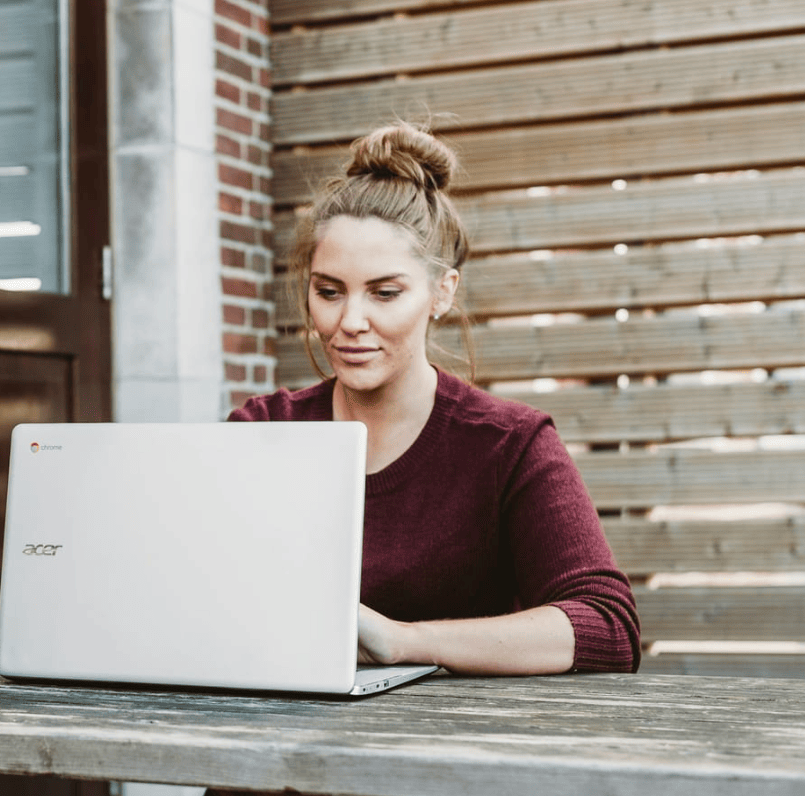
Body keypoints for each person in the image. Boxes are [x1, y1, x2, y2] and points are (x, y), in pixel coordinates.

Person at [229, 120, 640, 675]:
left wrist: (403, 642)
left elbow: (608, 626)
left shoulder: (509, 445)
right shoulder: (262, 430)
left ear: (441, 293)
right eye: (328, 292)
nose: (350, 321)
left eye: (385, 293)